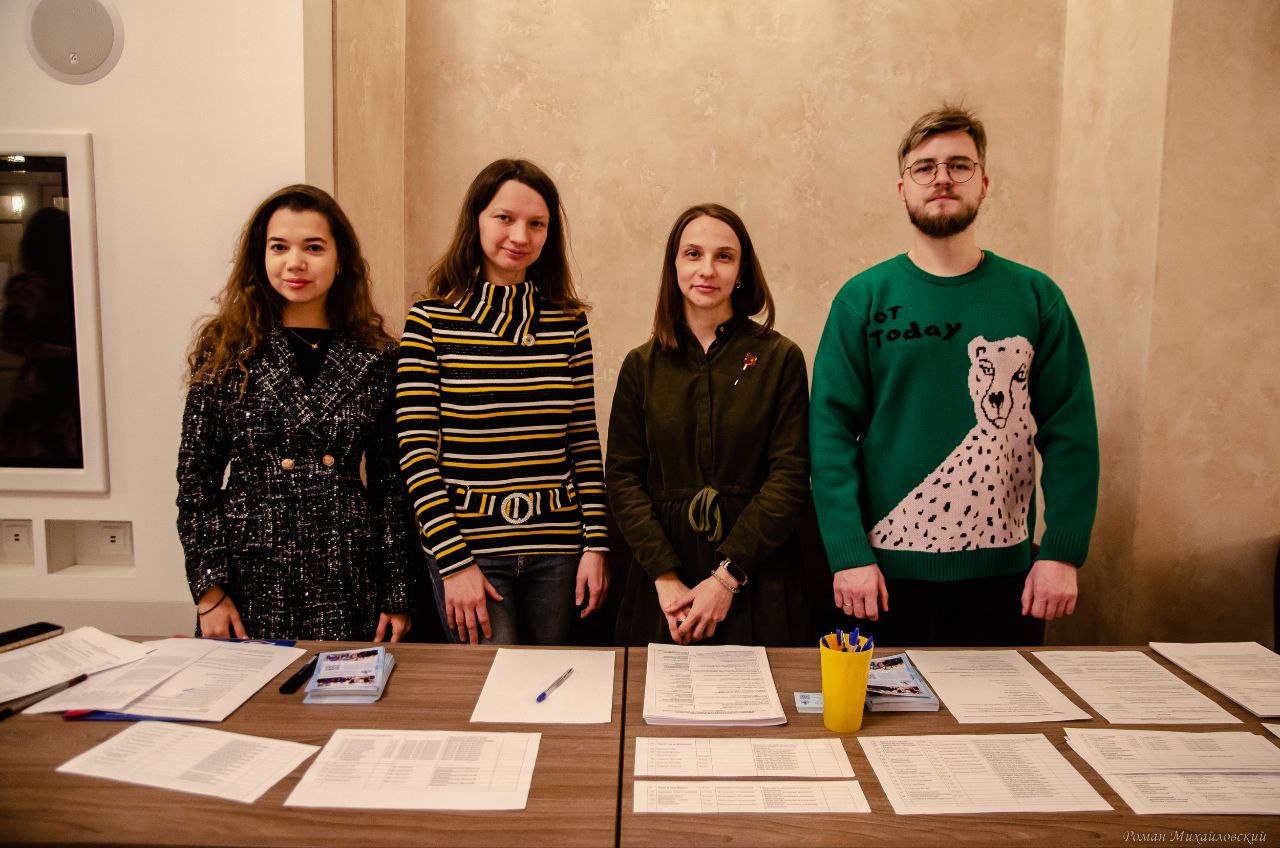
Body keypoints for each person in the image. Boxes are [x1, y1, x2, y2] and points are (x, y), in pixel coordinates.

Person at [810, 104, 1099, 647]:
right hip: (880, 577)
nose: (941, 178)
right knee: (878, 707)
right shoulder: (862, 299)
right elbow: (829, 435)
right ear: (903, 188)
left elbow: (1072, 432)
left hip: (1006, 578)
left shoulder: (1035, 297)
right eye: (925, 167)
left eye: (959, 165)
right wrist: (847, 554)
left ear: (983, 184)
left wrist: (1062, 551)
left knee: (1004, 705)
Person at [177, 184, 413, 642]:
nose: (295, 262)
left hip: (348, 570)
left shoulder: (377, 356)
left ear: (340, 259)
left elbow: (391, 488)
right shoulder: (227, 347)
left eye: (314, 248)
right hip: (249, 575)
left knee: (348, 688)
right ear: (260, 257)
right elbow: (195, 480)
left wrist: (397, 594)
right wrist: (210, 591)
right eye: (279, 247)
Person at [396, 158, 609, 645]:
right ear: (476, 220)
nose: (520, 235)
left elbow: (582, 440)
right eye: (504, 218)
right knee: (493, 683)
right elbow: (416, 453)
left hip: (558, 550)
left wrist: (596, 544)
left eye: (537, 224)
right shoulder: (429, 321)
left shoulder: (568, 324)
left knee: (551, 681)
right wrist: (453, 563)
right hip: (471, 551)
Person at [608, 203, 810, 646]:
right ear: (674, 266)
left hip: (757, 572)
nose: (707, 269)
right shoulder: (640, 365)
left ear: (741, 272)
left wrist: (727, 578)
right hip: (663, 580)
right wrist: (664, 578)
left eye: (724, 256)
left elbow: (790, 476)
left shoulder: (780, 358)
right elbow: (623, 479)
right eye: (693, 254)